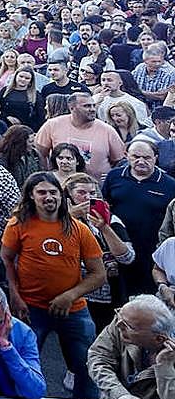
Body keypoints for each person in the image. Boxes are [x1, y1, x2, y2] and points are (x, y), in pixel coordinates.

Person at [0, 172, 106, 399]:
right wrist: (15, 296)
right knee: (20, 369)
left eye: (53, 192)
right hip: (31, 309)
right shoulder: (18, 224)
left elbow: (99, 274)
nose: (49, 197)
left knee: (87, 370)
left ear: (61, 195)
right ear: (31, 195)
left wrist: (71, 295)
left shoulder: (79, 229)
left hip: (74, 310)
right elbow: (6, 259)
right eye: (42, 192)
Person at [104, 138, 175, 296]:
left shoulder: (170, 184)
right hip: (119, 247)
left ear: (156, 158)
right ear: (126, 156)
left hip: (151, 250)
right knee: (120, 294)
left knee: (150, 296)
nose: (141, 161)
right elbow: (105, 207)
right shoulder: (114, 177)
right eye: (136, 156)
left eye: (147, 157)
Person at [87, 294, 175, 399]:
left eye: (127, 327)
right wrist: (119, 394)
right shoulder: (126, 318)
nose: (118, 325)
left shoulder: (132, 321)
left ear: (158, 339)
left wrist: (165, 368)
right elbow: (98, 357)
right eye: (118, 317)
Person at [68, 173, 134, 331]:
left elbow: (127, 257)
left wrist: (104, 228)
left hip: (112, 293)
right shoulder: (62, 222)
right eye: (81, 193)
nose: (87, 198)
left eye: (92, 193)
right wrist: (69, 217)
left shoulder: (112, 220)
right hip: (78, 295)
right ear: (69, 197)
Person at [35, 92, 127, 181]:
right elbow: (39, 153)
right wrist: (47, 175)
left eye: (93, 105)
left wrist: (112, 177)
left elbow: (120, 161)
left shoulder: (107, 130)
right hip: (60, 186)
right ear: (72, 108)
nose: (92, 109)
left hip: (96, 188)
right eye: (86, 106)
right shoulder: (53, 125)